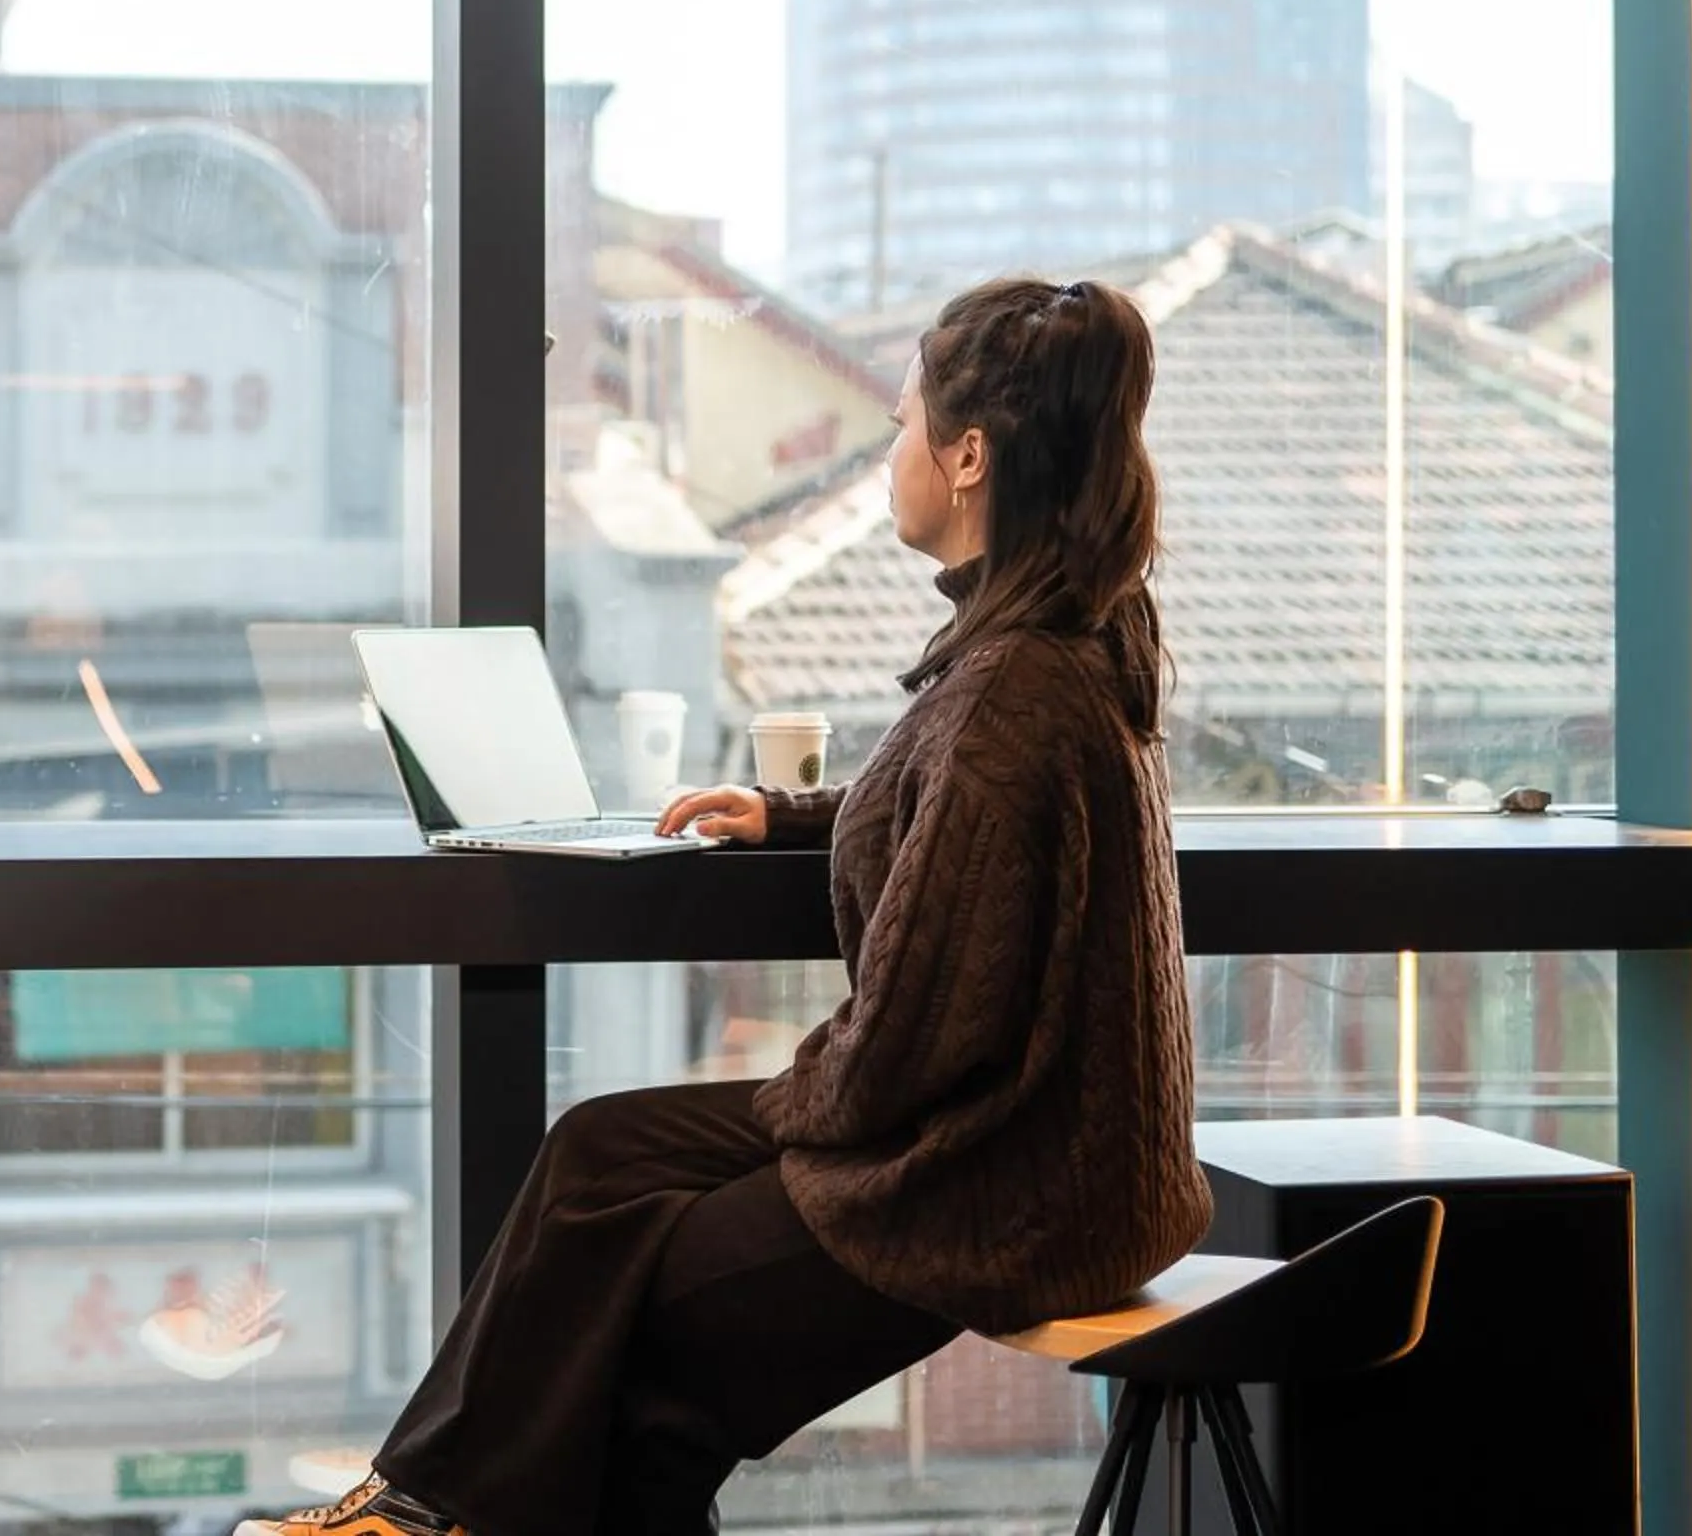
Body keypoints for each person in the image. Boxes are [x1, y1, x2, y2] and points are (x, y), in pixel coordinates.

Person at [244, 278, 1211, 1536]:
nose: (887, 458)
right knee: (597, 1153)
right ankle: (415, 1506)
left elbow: (905, 1052)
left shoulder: (1010, 693)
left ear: (969, 456)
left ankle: (423, 1516)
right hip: (1062, 1156)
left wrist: (783, 1112)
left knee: (632, 1366)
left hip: (1004, 1184)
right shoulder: (1063, 642)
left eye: (901, 425)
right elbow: (971, 832)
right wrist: (797, 816)